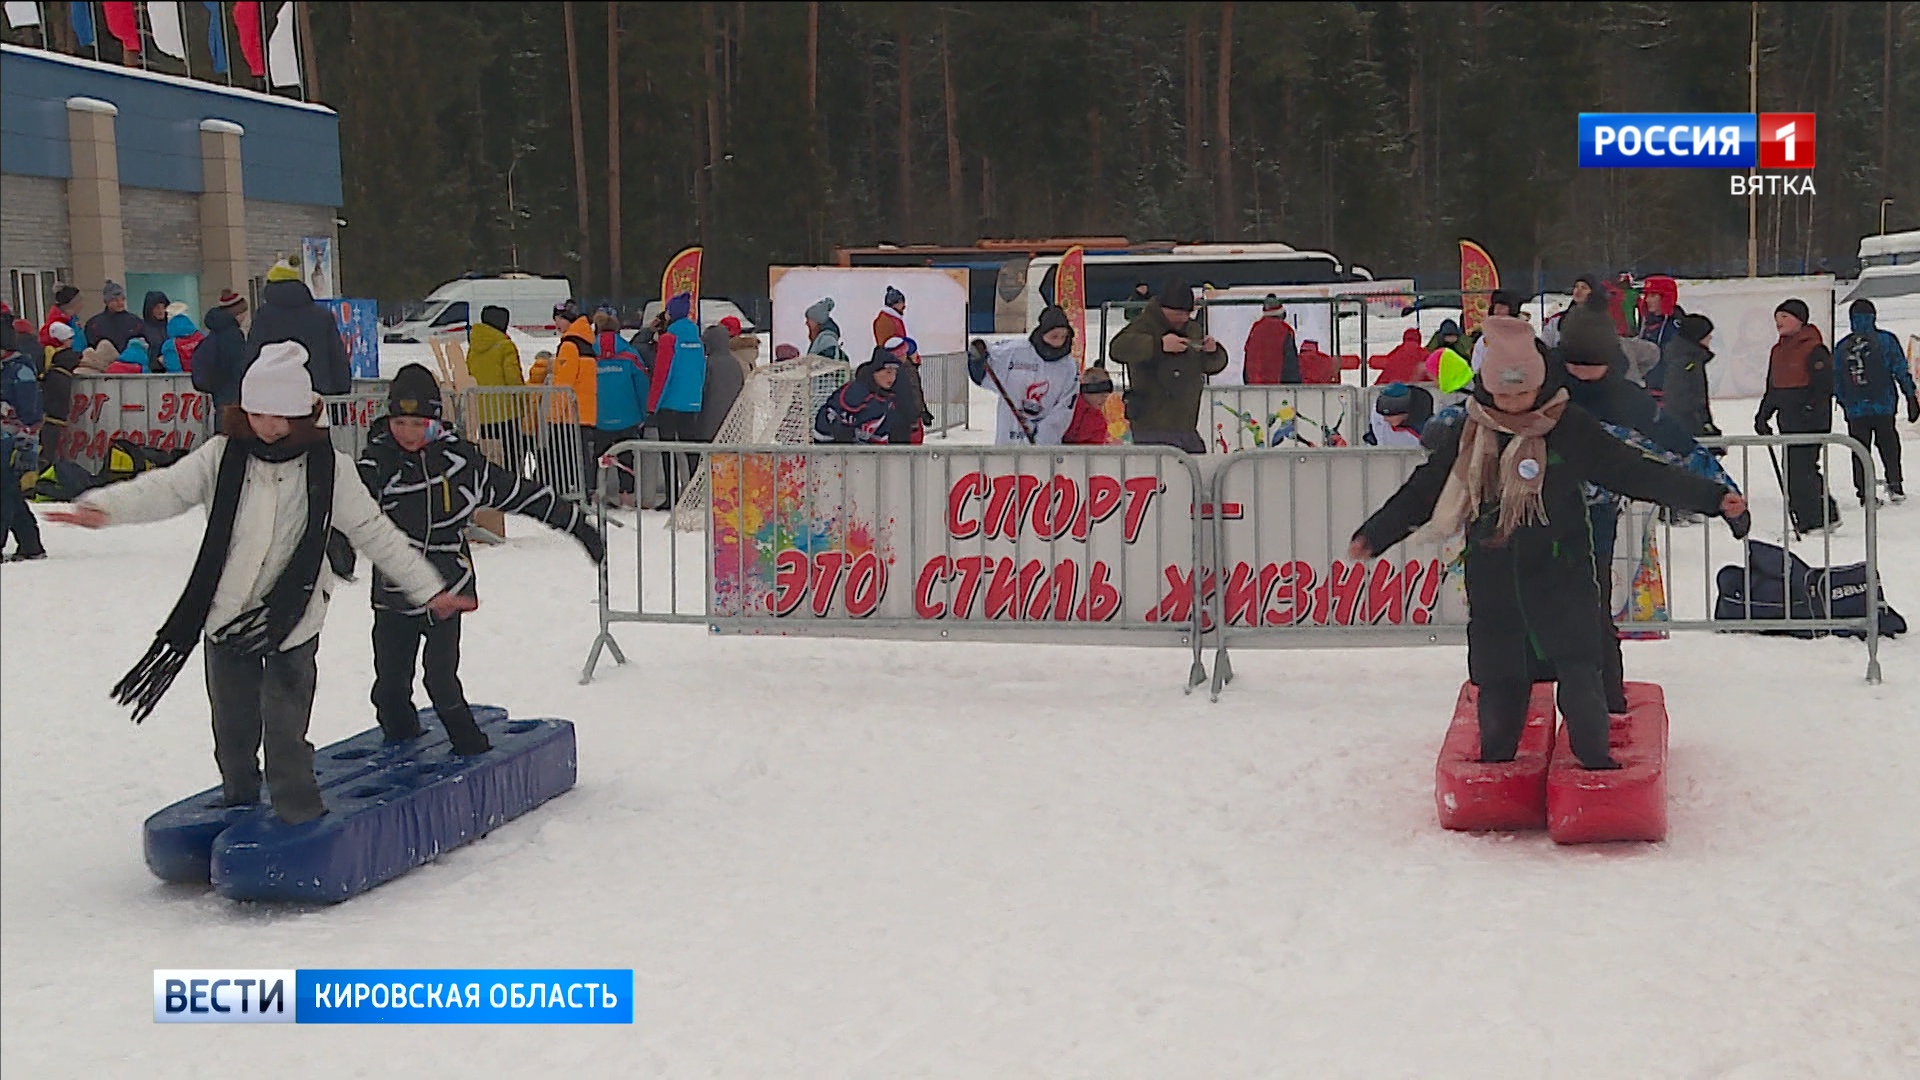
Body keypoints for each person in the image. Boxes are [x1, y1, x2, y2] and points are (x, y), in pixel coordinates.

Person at [49, 344, 473, 823]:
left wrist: (427, 589)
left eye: (280, 415)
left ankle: (298, 816)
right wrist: (103, 508)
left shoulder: (330, 467)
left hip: (294, 621)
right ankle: (240, 807)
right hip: (225, 615)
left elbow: (375, 533)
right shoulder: (221, 456)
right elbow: (166, 489)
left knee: (285, 732)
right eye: (257, 413)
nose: (268, 426)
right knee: (232, 732)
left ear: (301, 414)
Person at [1349, 317, 1744, 770]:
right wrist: (1376, 533)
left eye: (1522, 394)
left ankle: (1595, 762)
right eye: (1503, 394)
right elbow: (1424, 491)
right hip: (1495, 575)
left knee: (1579, 669)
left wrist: (1711, 497)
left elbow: (1634, 471)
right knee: (1499, 677)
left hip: (1562, 571)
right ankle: (1497, 759)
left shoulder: (1568, 424)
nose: (1514, 405)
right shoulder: (1472, 430)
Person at [357, 364, 604, 754]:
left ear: (435, 420)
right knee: (389, 686)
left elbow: (522, 494)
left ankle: (470, 746)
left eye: (417, 423)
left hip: (447, 590)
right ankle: (400, 746)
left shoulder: (461, 466)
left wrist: (578, 527)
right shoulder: (375, 465)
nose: (407, 433)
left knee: (440, 679)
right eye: (399, 422)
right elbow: (343, 515)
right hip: (394, 591)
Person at [1106, 279, 1227, 452]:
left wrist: (1213, 351)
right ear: (1163, 309)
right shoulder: (1143, 325)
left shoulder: (1192, 329)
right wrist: (1158, 346)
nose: (1182, 319)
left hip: (1186, 425)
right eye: (1177, 314)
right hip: (1151, 426)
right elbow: (1117, 348)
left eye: (1186, 314)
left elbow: (1212, 365)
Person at [1756, 298, 1839, 535]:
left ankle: (1817, 517)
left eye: (1784, 317)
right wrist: (1763, 415)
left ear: (1799, 320)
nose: (1778, 322)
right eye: (1776, 318)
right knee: (1793, 469)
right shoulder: (1778, 350)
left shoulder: (1814, 348)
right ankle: (1812, 516)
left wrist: (1811, 408)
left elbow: (1824, 385)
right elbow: (1773, 386)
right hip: (1789, 419)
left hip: (1811, 420)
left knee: (1803, 469)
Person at [1833, 298, 1919, 505]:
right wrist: (1910, 395)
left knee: (1860, 449)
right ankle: (1895, 484)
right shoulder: (1886, 340)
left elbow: (1835, 379)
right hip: (1884, 404)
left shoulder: (1843, 346)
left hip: (1856, 408)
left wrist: (1844, 401)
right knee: (1889, 444)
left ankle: (1865, 491)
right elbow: (1899, 368)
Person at [969, 306, 1080, 445]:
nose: (1059, 341)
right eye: (1054, 336)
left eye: (1063, 336)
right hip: (1008, 444)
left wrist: (1043, 440)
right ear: (1042, 333)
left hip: (1045, 452)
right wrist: (978, 354)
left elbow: (1064, 409)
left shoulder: (1069, 367)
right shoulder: (1016, 351)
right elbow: (988, 357)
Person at [249, 259, 351, 395]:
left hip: (274, 396)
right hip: (317, 394)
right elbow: (336, 357)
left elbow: (253, 355)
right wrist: (341, 392)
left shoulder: (264, 317)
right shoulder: (322, 316)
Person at [649, 293, 707, 499]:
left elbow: (662, 374)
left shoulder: (669, 339)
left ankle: (672, 495)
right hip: (691, 401)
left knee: (669, 450)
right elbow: (701, 370)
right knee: (690, 449)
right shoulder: (697, 339)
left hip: (670, 401)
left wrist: (652, 404)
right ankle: (693, 492)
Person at [1, 312, 47, 562]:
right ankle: (30, 543)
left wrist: (25, 440)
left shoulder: (20, 370)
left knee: (4, 493)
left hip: (14, 441)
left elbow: (30, 411)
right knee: (10, 494)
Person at [593, 313, 650, 503]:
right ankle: (626, 494)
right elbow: (642, 384)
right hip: (628, 415)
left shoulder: (590, 353)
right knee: (626, 456)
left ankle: (596, 491)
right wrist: (642, 413)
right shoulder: (630, 353)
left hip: (598, 415)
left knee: (598, 455)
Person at [814, 350, 906, 445]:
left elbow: (880, 435)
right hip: (828, 444)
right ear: (875, 371)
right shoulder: (857, 391)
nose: (892, 378)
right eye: (888, 372)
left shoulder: (888, 402)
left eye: (894, 373)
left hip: (856, 446)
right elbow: (838, 425)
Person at [1659, 313, 1718, 440]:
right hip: (1687, 429)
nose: (1710, 338)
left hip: (1689, 426)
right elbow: (1684, 400)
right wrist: (1702, 428)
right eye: (1707, 335)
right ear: (1697, 337)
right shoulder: (1686, 363)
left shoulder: (1691, 360)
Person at [191, 295, 254, 409]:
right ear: (238, 313)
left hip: (219, 388)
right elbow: (237, 363)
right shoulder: (233, 334)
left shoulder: (216, 332)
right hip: (232, 388)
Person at [696, 321, 747, 444]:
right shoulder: (735, 362)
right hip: (731, 424)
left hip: (709, 422)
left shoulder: (708, 363)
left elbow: (702, 389)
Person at [39, 321, 82, 463]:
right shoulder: (67, 357)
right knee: (53, 448)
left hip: (48, 412)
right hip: (57, 412)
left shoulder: (48, 358)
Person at [1242, 295, 1300, 385]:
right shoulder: (1285, 330)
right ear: (1281, 314)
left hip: (1255, 386)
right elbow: (1290, 364)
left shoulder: (1255, 329)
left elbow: (1248, 359)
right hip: (1277, 388)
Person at [1539, 276, 1603, 349]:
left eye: (1584, 288)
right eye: (1576, 287)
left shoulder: (1602, 321)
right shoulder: (1558, 320)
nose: (1578, 290)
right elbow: (1546, 345)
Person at [1363, 383, 1435, 448]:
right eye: (1383, 415)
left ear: (1405, 414)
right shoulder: (1378, 417)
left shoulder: (1425, 430)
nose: (1385, 419)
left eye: (1390, 416)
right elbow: (1375, 436)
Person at [84, 280, 144, 353]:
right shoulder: (94, 324)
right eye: (115, 300)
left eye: (122, 299)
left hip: (130, 362)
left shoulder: (135, 321)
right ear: (107, 302)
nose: (120, 303)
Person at [1064, 366, 1116, 446]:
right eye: (1099, 392)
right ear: (1086, 389)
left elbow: (1094, 453)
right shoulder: (1065, 405)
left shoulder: (1098, 421)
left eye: (1106, 394)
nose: (1104, 397)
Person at [39, 283, 84, 356]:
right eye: (79, 301)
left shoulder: (71, 319)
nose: (82, 304)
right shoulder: (58, 325)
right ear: (72, 303)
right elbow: (74, 348)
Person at [135, 292, 173, 359]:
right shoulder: (142, 329)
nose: (161, 311)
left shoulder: (172, 327)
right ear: (150, 310)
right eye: (157, 308)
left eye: (163, 307)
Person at [873, 285, 909, 350]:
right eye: (902, 304)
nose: (904, 307)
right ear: (894, 304)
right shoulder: (886, 321)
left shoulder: (892, 319)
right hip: (894, 358)